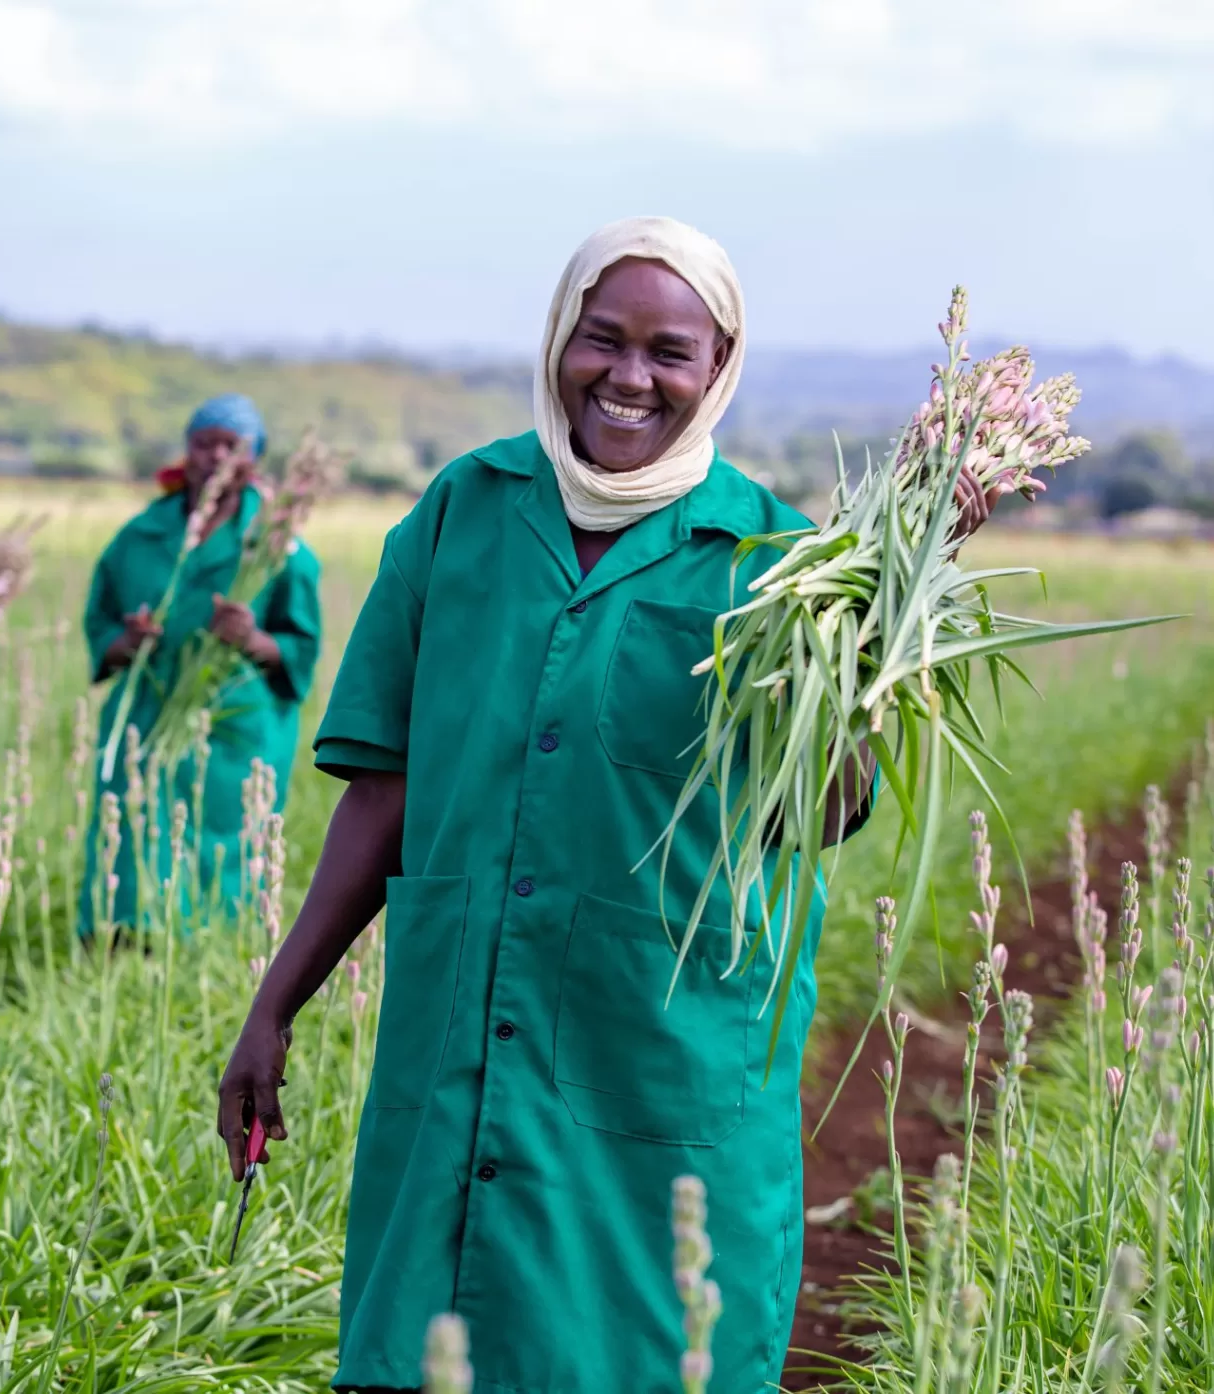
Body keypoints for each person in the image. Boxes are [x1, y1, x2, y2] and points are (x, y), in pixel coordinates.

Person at [215, 218, 993, 1393]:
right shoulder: (462, 512)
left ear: (718, 368)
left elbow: (817, 814)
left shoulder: (775, 560)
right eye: (603, 339)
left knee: (637, 1350)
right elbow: (389, 786)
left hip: (660, 1049)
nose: (629, 377)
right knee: (430, 1345)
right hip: (462, 1039)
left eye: (671, 352)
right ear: (559, 339)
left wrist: (876, 630)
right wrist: (274, 1006)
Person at [82, 393, 322, 935]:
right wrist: (125, 641)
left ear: (254, 459)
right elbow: (99, 618)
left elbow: (302, 644)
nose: (216, 455)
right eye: (204, 442)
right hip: (148, 707)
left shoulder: (278, 546)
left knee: (224, 835)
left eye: (231, 445)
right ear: (186, 452)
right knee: (132, 824)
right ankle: (124, 938)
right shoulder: (140, 535)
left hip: (234, 723)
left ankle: (213, 949)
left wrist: (253, 638)